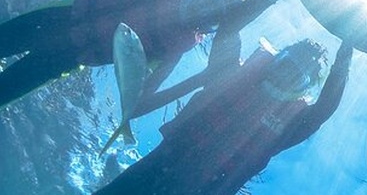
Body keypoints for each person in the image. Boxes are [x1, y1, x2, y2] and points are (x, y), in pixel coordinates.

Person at [0, 0, 289, 108]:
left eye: (212, 15)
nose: (202, 10)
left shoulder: (173, 50)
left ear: (210, 28)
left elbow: (140, 104)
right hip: (58, 18)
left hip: (62, 60)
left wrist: (199, 80)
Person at [94, 38, 353, 195]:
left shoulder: (291, 124)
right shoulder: (230, 76)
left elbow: (325, 108)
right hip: (156, 167)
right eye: (286, 65)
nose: (285, 77)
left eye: (297, 76)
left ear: (303, 89)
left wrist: (346, 51)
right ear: (275, 58)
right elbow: (230, 27)